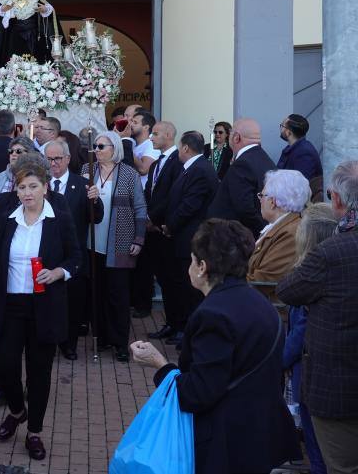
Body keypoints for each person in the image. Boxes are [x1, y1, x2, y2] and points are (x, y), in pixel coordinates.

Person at [131, 218, 301, 474]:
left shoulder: (213, 315)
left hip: (226, 445)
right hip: (260, 436)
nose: (188, 267)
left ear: (202, 267)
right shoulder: (262, 304)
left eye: (191, 260)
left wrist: (159, 363)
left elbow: (197, 393)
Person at [0, 158, 81, 460]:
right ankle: (16, 411)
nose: (26, 193)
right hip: (10, 303)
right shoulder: (6, 218)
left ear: (45, 188)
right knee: (5, 366)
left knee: (39, 373)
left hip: (44, 306)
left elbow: (75, 258)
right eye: (21, 187)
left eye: (32, 186)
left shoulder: (59, 218)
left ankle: (35, 431)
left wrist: (57, 273)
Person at [277, 160, 358, 473]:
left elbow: (287, 289)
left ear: (335, 199)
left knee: (339, 466)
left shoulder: (332, 252)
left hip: (337, 388)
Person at [86, 131, 146, 362]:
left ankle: (120, 342)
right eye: (95, 146)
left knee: (118, 296)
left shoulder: (129, 174)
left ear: (115, 149)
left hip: (119, 244)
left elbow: (140, 209)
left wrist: (138, 239)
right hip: (92, 244)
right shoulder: (86, 171)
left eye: (101, 146)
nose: (97, 150)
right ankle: (100, 337)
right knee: (96, 293)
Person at [283, 203, 335, 474]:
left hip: (310, 375)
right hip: (316, 373)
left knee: (319, 453)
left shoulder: (311, 277)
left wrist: (278, 360)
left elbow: (300, 329)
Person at [156, 131, 219, 345]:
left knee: (189, 289)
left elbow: (189, 205)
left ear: (185, 148)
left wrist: (170, 226)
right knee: (176, 285)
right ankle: (176, 324)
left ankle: (187, 331)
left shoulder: (200, 170)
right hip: (179, 237)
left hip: (189, 238)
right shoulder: (190, 168)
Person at [45, 139, 102, 360]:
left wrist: (95, 202)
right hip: (47, 254)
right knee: (50, 301)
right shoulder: (41, 184)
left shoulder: (82, 184)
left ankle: (69, 344)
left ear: (68, 159)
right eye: (49, 159)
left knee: (73, 302)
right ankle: (50, 339)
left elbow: (96, 218)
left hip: (74, 255)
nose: (53, 163)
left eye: (57, 158)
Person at [132, 121, 182, 319]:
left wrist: (153, 218)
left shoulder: (177, 161)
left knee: (170, 278)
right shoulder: (157, 163)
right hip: (150, 226)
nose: (151, 137)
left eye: (155, 133)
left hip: (163, 227)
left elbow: (172, 195)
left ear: (169, 135)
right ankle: (168, 322)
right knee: (154, 271)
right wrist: (143, 215)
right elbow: (149, 192)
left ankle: (175, 322)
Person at [207, 117, 276, 238]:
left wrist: (264, 231)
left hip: (233, 238)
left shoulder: (242, 164)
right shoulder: (265, 158)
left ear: (236, 137)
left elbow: (244, 208)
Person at [247, 169, 310, 284]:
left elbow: (262, 280)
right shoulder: (283, 225)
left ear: (273, 202)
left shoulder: (291, 233)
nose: (260, 200)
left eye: (261, 195)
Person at [0, 135, 38, 209]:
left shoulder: (37, 179)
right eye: (11, 151)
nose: (13, 154)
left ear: (30, 154)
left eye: (18, 151)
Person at [278, 113, 323, 182]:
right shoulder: (294, 148)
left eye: (282, 126)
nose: (280, 129)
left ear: (288, 132)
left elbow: (300, 186)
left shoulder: (304, 153)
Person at [129, 109, 160, 187]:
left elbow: (143, 169)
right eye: (131, 121)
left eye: (135, 122)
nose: (130, 124)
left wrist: (126, 147)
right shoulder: (134, 144)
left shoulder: (151, 144)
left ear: (146, 127)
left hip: (143, 194)